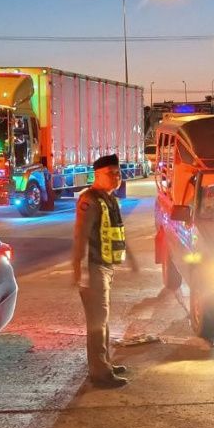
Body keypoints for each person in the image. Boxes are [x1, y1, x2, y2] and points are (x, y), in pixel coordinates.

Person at [71, 154, 139, 389]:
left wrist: (131, 260)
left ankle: (104, 362)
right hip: (94, 267)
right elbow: (81, 236)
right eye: (111, 173)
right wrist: (80, 270)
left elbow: (116, 232)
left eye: (118, 173)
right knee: (97, 322)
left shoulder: (110, 200)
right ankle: (100, 373)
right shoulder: (89, 200)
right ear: (97, 175)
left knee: (103, 319)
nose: (117, 177)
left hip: (105, 267)